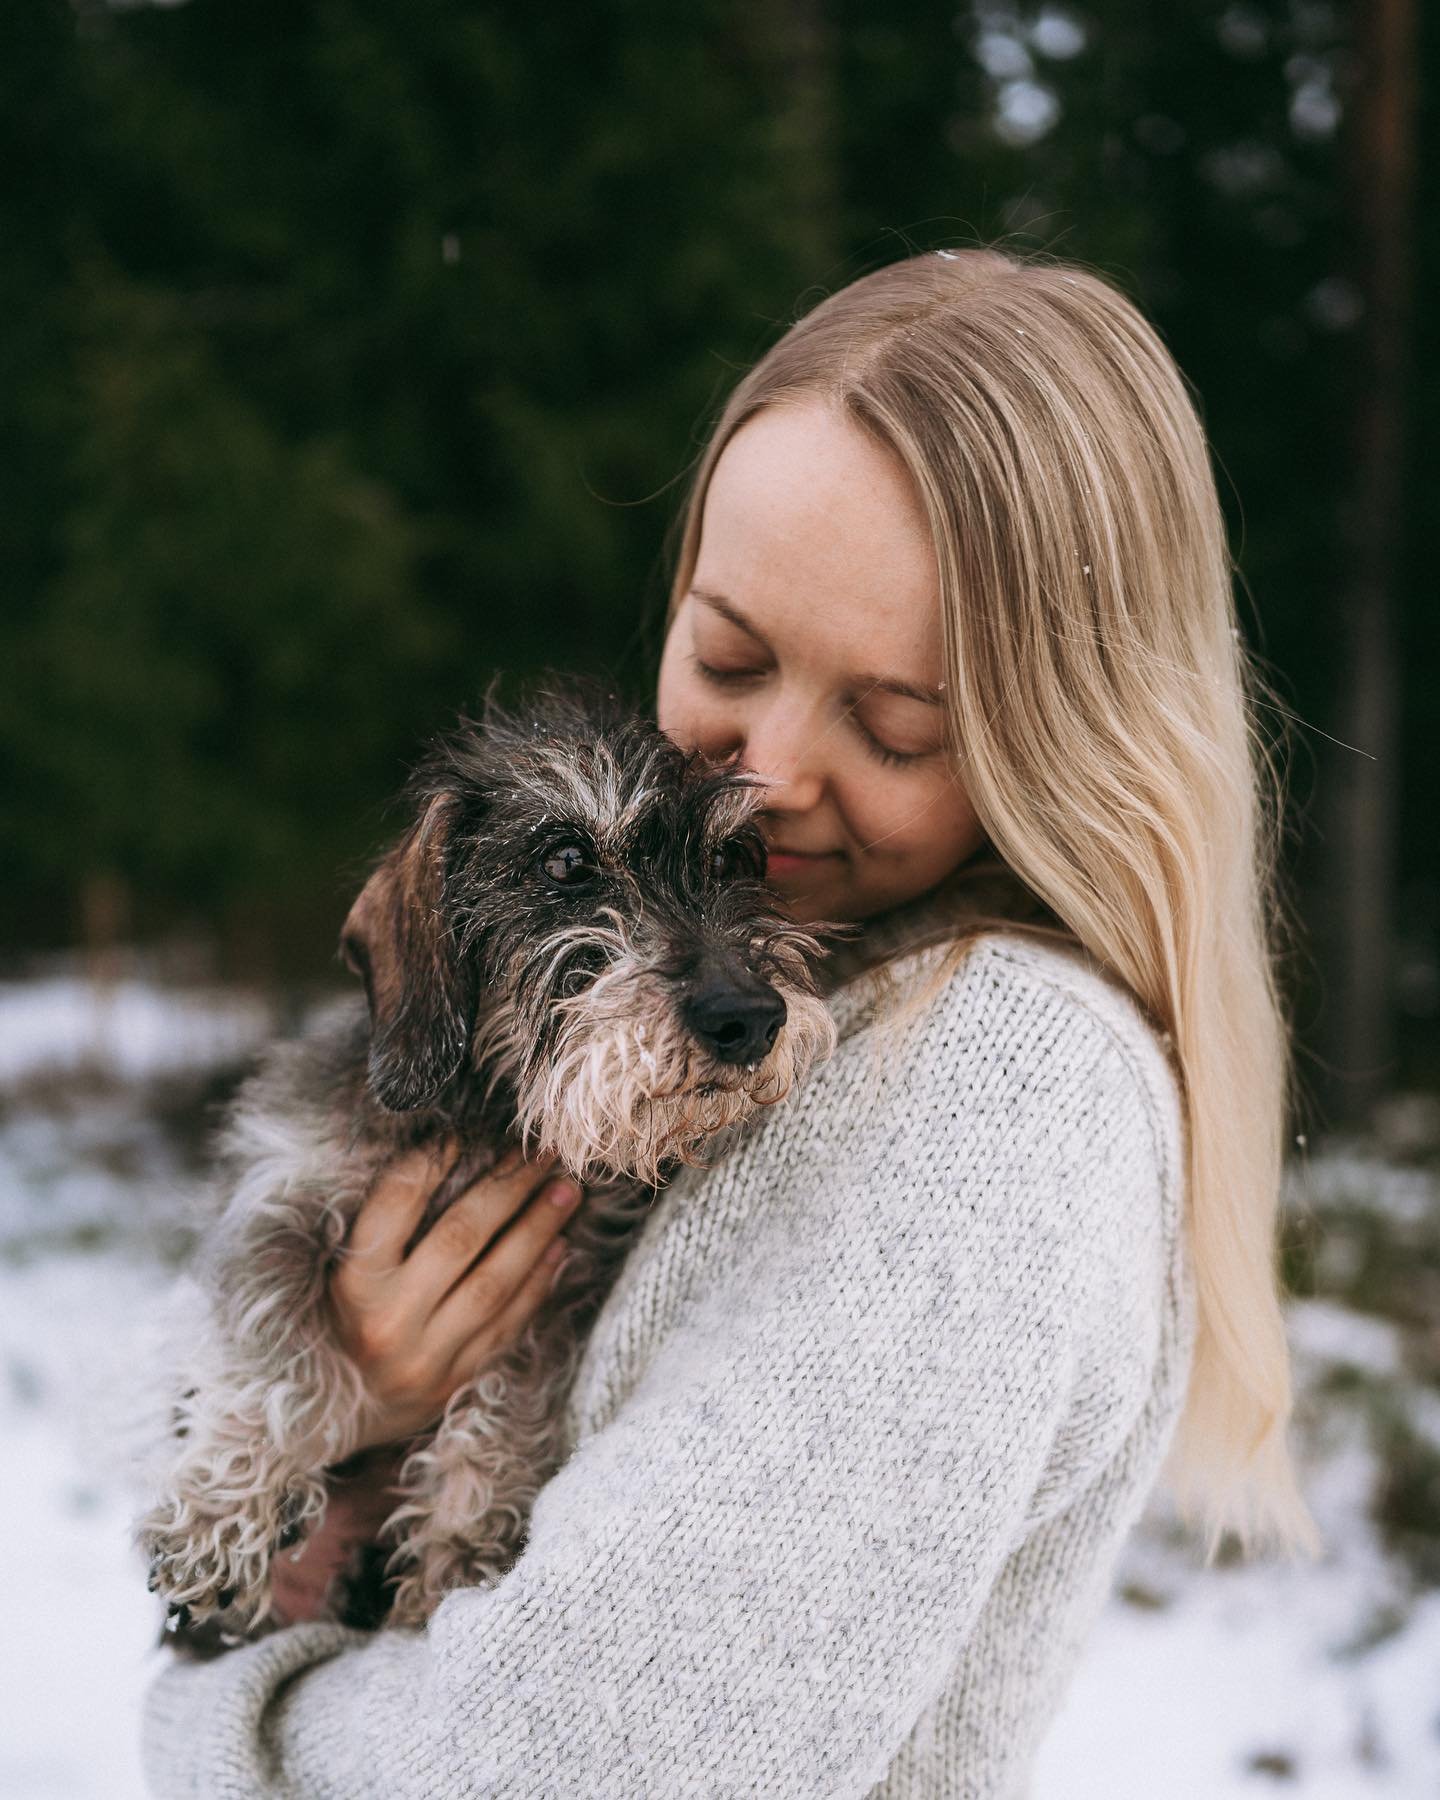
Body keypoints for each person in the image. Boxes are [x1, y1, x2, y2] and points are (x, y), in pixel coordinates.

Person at [140, 246, 1320, 1798]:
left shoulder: (1000, 1091)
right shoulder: (801, 1009)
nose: (755, 789)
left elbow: (577, 1769)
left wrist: (208, 1729)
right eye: (726, 656)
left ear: (1066, 742)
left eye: (896, 726)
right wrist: (360, 1413)